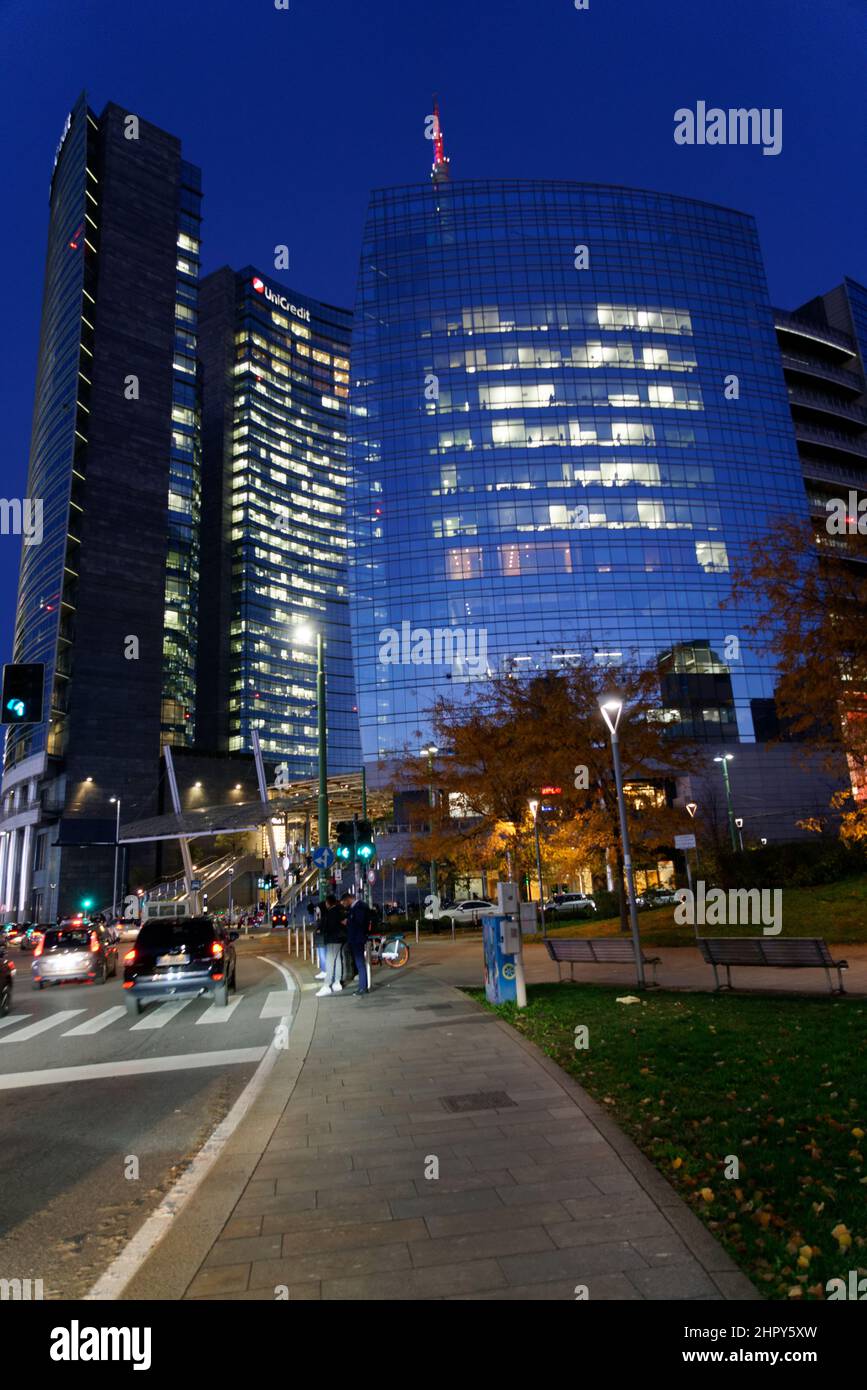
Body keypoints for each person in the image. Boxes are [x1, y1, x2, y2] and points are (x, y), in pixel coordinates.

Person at [316, 894, 345, 996]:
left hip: (332, 939)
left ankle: (326, 985)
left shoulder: (331, 913)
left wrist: (322, 929)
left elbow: (328, 927)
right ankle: (337, 982)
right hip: (340, 939)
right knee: (338, 961)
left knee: (329, 962)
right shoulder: (340, 910)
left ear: (328, 903)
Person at [345, 892, 373, 997]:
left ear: (349, 899)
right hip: (357, 938)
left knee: (360, 963)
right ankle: (362, 986)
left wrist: (348, 921)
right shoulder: (358, 907)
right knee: (359, 963)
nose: (345, 903)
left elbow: (359, 922)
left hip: (357, 938)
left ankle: (362, 987)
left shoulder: (359, 907)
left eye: (346, 901)